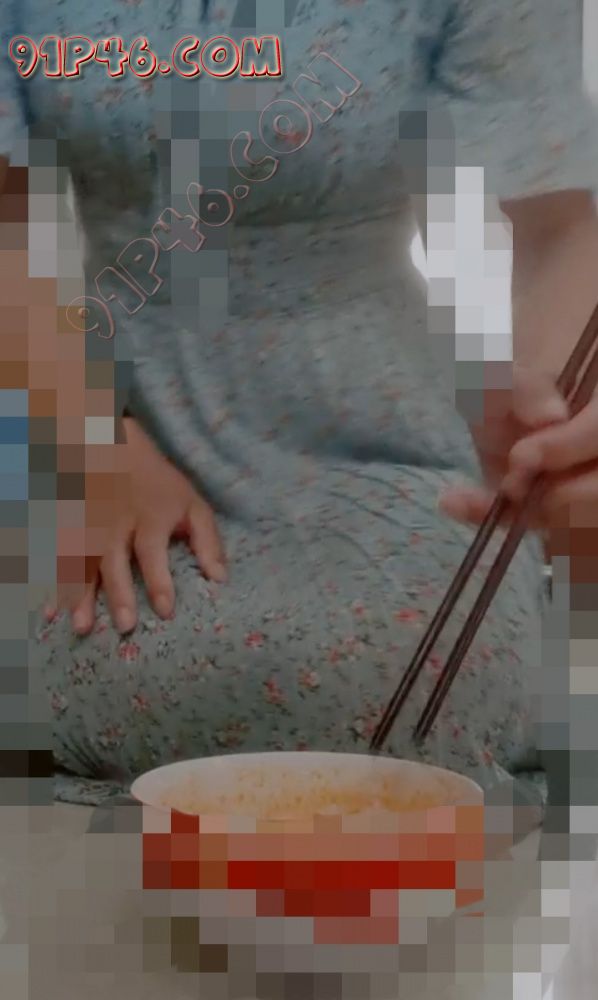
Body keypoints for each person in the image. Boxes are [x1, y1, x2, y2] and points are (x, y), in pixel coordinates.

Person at [2, 0, 598, 808]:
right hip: (103, 424)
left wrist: (544, 427)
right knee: (92, 660)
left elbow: (560, 232)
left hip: (390, 447)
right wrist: (92, 440)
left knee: (417, 676)